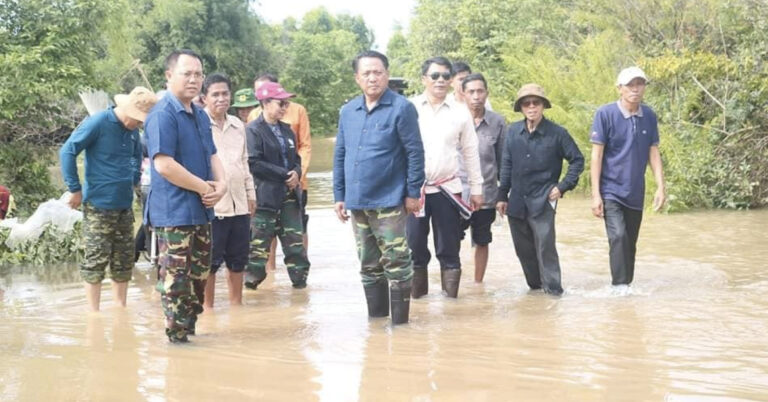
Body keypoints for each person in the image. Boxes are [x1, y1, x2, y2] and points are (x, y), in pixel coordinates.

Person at [333, 50, 425, 324]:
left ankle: (400, 325)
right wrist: (340, 195)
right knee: (368, 264)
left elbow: (415, 153)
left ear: (386, 74)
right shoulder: (348, 111)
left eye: (378, 72)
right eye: (366, 73)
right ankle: (376, 322)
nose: (372, 78)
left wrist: (412, 193)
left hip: (390, 199)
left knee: (397, 260)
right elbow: (341, 154)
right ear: (357, 78)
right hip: (358, 201)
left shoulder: (401, 107)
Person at [144, 49, 228, 343]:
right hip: (174, 212)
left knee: (198, 278)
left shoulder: (199, 115)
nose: (194, 80)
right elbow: (164, 165)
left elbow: (212, 154)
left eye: (198, 74)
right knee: (175, 281)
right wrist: (205, 188)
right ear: (169, 76)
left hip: (202, 210)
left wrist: (222, 184)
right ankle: (176, 341)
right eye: (187, 74)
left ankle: (189, 333)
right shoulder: (162, 114)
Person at [60, 86, 158, 312]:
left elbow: (135, 157)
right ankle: (93, 313)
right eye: (138, 119)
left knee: (123, 260)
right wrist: (75, 189)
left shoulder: (133, 131)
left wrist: (133, 179)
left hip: (124, 205)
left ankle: (120, 308)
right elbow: (67, 151)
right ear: (127, 109)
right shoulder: (99, 123)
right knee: (95, 260)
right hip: (98, 205)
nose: (139, 124)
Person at [496, 84, 584, 296]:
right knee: (523, 250)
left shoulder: (557, 133)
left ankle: (554, 292)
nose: (532, 107)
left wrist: (562, 187)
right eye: (527, 103)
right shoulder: (513, 132)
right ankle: (535, 291)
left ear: (543, 105)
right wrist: (501, 196)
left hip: (544, 199)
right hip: (516, 200)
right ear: (521, 108)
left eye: (536, 103)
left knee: (546, 248)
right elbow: (506, 165)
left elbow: (577, 160)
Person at [408, 56, 484, 299]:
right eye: (434, 76)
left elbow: (471, 152)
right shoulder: (408, 109)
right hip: (414, 192)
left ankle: (451, 304)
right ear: (424, 79)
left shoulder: (460, 113)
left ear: (452, 81)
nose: (440, 80)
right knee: (414, 248)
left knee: (449, 248)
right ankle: (417, 303)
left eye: (445, 76)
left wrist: (476, 188)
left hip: (448, 190)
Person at [590, 67, 665, 287]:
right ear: (619, 88)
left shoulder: (649, 116)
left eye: (639, 84)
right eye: (630, 85)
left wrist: (660, 187)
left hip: (635, 191)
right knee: (618, 237)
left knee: (630, 242)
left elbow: (653, 151)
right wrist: (596, 195)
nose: (635, 89)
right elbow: (597, 155)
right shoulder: (605, 114)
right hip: (611, 190)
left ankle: (626, 287)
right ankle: (619, 287)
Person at [244, 81, 310, 290]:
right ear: (265, 103)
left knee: (296, 247)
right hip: (265, 199)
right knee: (257, 250)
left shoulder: (288, 130)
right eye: (280, 103)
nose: (284, 108)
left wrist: (297, 173)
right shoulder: (253, 131)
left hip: (290, 197)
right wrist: (284, 174)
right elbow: (254, 162)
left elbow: (297, 158)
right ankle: (250, 289)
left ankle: (300, 289)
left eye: (286, 104)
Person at [201, 73, 256, 309]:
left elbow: (244, 162)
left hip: (240, 203)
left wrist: (251, 194)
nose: (221, 99)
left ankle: (236, 307)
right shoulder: (198, 125)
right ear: (204, 98)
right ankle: (208, 310)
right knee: (210, 262)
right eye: (215, 94)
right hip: (213, 204)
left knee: (238, 259)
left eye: (225, 94)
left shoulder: (238, 126)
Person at [460, 73, 506, 283]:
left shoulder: (497, 122)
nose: (476, 96)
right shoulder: (454, 118)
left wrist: (503, 194)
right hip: (455, 194)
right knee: (450, 240)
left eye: (480, 91)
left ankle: (478, 285)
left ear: (487, 93)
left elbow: (504, 161)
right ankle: (454, 284)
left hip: (486, 194)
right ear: (463, 94)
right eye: (471, 92)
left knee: (482, 240)